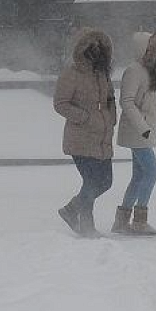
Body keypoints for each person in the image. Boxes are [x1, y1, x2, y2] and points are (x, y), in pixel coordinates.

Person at [53, 27, 117, 238]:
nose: (97, 54)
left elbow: (110, 99)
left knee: (105, 181)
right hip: (80, 138)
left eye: (101, 49)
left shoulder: (103, 74)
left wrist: (111, 118)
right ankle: (86, 224)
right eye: (93, 49)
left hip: (102, 137)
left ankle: (71, 210)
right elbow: (61, 103)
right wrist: (85, 118)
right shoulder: (72, 74)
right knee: (92, 181)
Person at [113, 31, 156, 236]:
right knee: (152, 172)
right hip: (137, 132)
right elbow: (126, 101)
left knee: (139, 175)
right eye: (153, 49)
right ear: (144, 50)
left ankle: (121, 222)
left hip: (144, 132)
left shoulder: (149, 72)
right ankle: (139, 221)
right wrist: (142, 128)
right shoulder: (133, 71)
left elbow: (155, 100)